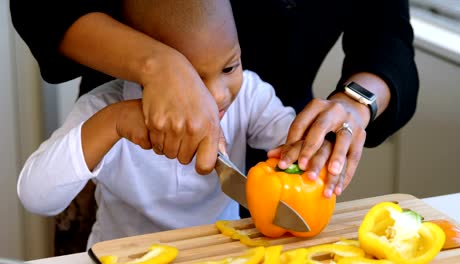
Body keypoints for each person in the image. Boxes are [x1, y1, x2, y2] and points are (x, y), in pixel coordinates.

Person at [17, 0, 297, 248]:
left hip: (220, 254)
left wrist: (309, 151)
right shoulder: (104, 109)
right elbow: (36, 197)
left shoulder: (249, 94)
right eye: (193, 79)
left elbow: (295, 143)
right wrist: (114, 123)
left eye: (229, 67)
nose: (219, 95)